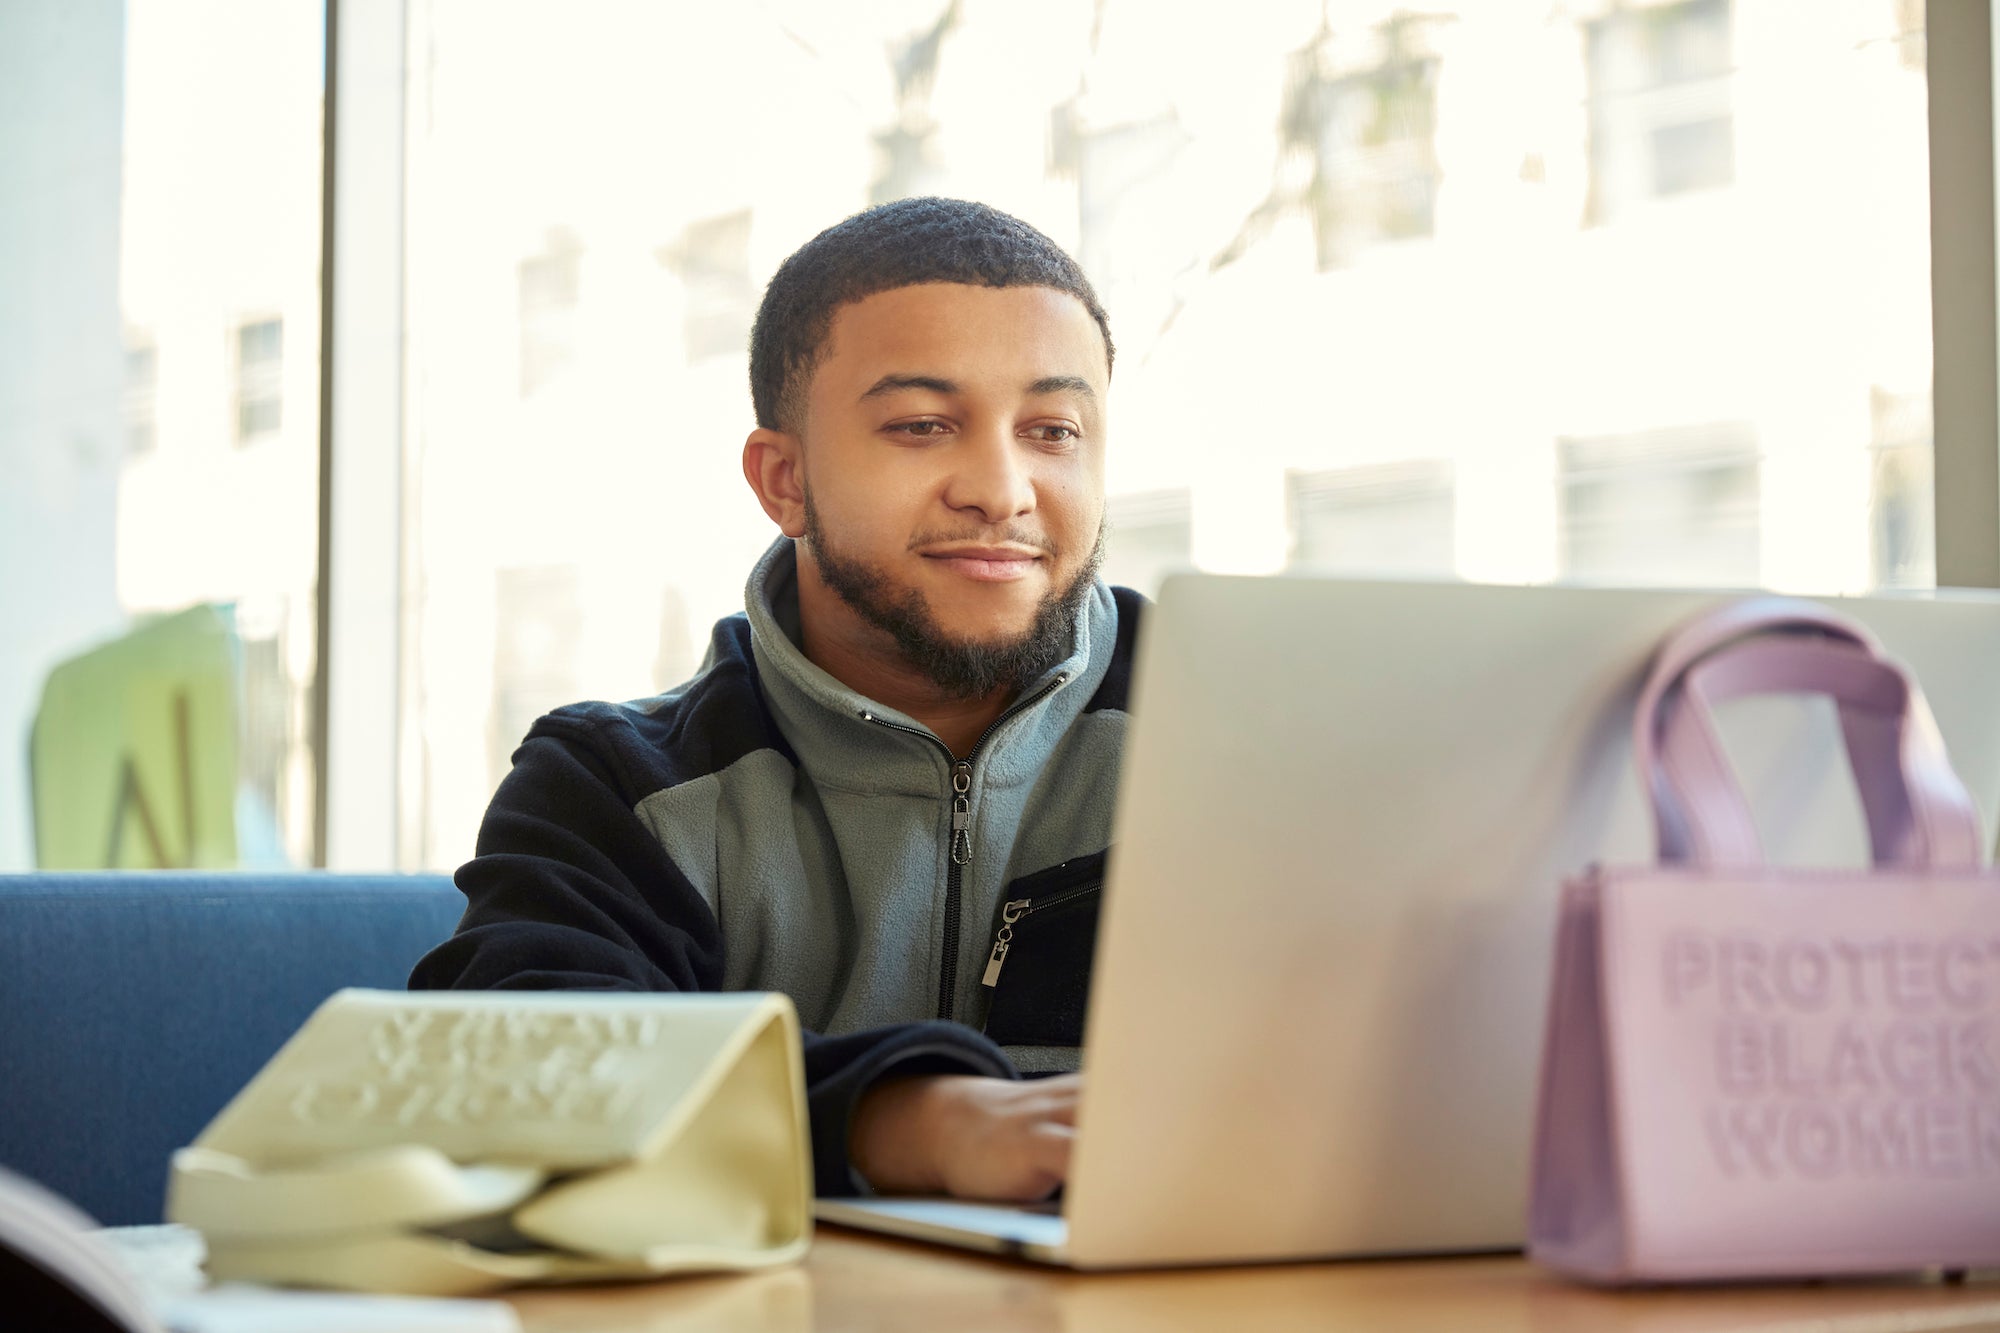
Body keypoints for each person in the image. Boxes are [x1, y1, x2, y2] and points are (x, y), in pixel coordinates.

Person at [409, 197, 1141, 1203]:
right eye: (922, 426)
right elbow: (503, 1072)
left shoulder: (1242, 735)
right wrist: (898, 1120)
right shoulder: (616, 785)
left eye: (1052, 430)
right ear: (784, 479)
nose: (1001, 489)